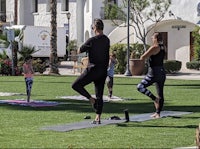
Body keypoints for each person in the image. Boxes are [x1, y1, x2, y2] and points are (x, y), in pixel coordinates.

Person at [72, 18, 110, 124]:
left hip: (93, 70)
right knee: (100, 94)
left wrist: (84, 45)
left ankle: (90, 99)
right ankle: (98, 117)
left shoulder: (92, 40)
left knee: (76, 85)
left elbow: (79, 51)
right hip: (103, 71)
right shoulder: (107, 39)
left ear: (94, 28)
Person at [137, 32, 166, 118]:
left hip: (153, 73)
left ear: (156, 39)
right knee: (160, 93)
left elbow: (142, 57)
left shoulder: (154, 47)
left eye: (152, 38)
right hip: (161, 72)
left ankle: (154, 99)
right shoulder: (163, 47)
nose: (152, 39)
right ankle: (158, 113)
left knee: (140, 87)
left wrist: (149, 50)